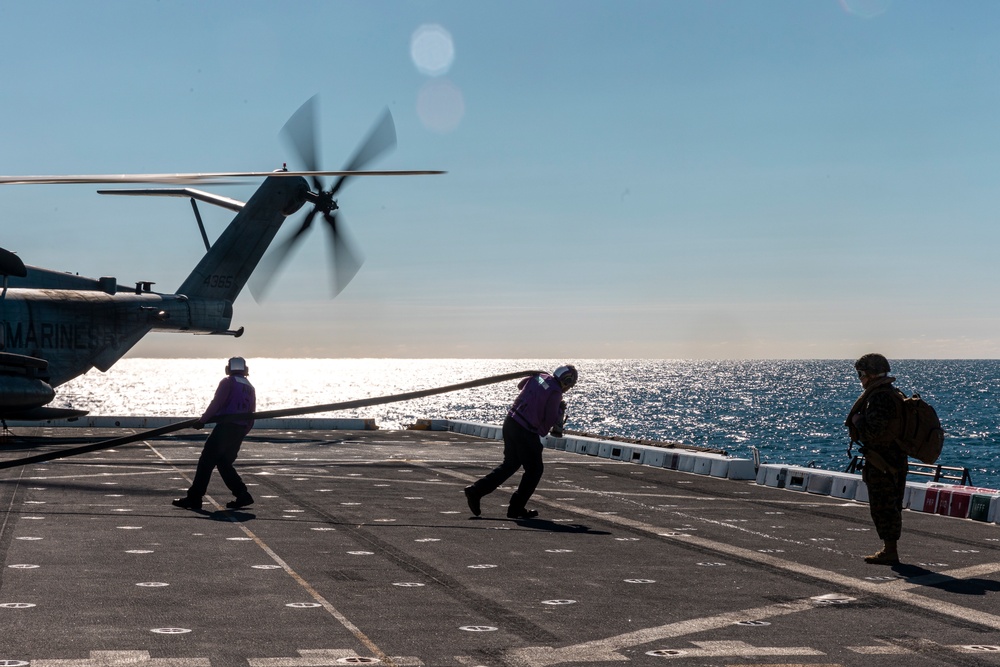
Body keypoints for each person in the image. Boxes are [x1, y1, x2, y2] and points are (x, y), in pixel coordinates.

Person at [464, 364, 578, 519]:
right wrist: (559, 410)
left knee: (510, 464)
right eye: (570, 385)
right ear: (566, 381)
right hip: (525, 430)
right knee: (535, 469)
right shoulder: (556, 392)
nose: (568, 389)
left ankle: (476, 491)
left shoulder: (539, 376)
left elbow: (520, 385)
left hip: (511, 421)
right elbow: (548, 423)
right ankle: (516, 508)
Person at [845, 353, 907, 565]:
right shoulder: (892, 393)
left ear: (871, 374)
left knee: (884, 506)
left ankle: (890, 551)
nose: (860, 379)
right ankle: (890, 549)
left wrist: (858, 421)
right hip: (893, 458)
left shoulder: (880, 397)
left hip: (884, 461)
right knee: (890, 504)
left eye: (861, 374)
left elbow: (873, 432)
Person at [173, 357, 256, 511]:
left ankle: (194, 498)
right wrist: (242, 433)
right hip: (239, 429)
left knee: (206, 461)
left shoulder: (228, 382)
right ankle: (242, 494)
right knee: (224, 463)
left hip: (226, 428)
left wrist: (202, 420)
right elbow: (252, 414)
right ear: (245, 370)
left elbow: (217, 403)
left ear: (228, 369)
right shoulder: (250, 387)